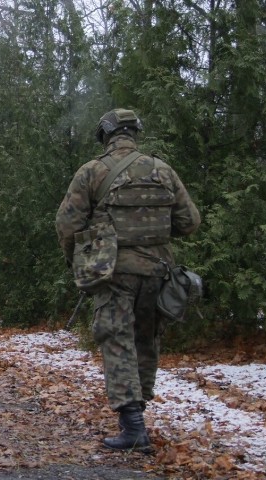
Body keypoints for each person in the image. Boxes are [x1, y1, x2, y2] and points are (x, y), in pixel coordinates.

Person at [55, 108, 200, 451]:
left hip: (113, 273)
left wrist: (78, 260)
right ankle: (138, 416)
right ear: (135, 133)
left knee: (117, 340)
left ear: (105, 135)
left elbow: (67, 225)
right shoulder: (162, 170)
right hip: (157, 271)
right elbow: (190, 222)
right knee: (145, 340)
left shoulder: (91, 172)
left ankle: (133, 426)